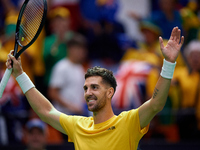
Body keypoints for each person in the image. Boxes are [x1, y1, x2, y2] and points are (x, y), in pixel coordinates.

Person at [5, 27, 184, 150]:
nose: (88, 92)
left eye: (94, 87)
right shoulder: (78, 126)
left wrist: (168, 62)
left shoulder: (128, 122)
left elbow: (156, 104)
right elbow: (45, 111)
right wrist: (20, 74)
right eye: (86, 88)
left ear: (110, 92)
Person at [48, 34, 88, 116]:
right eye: (79, 49)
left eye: (83, 50)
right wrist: (71, 107)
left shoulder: (80, 68)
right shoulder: (61, 67)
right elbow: (52, 93)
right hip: (63, 115)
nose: (82, 53)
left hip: (77, 114)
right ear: (71, 49)